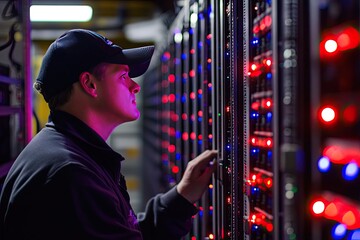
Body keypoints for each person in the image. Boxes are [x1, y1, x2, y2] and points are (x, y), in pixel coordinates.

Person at [0, 29, 218, 240]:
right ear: (90, 84)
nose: (135, 87)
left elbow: (118, 231)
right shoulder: (71, 174)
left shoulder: (67, 153)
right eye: (123, 76)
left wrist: (181, 196)